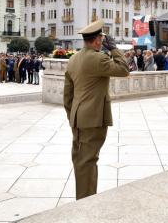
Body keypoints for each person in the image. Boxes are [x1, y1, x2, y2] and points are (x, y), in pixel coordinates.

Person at [64, 19, 129, 200]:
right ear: (98, 40)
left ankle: (83, 199)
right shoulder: (98, 57)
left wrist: (72, 115)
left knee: (80, 159)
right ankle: (86, 203)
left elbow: (67, 95)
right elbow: (124, 69)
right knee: (88, 161)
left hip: (77, 117)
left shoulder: (73, 59)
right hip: (93, 119)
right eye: (102, 38)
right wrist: (114, 49)